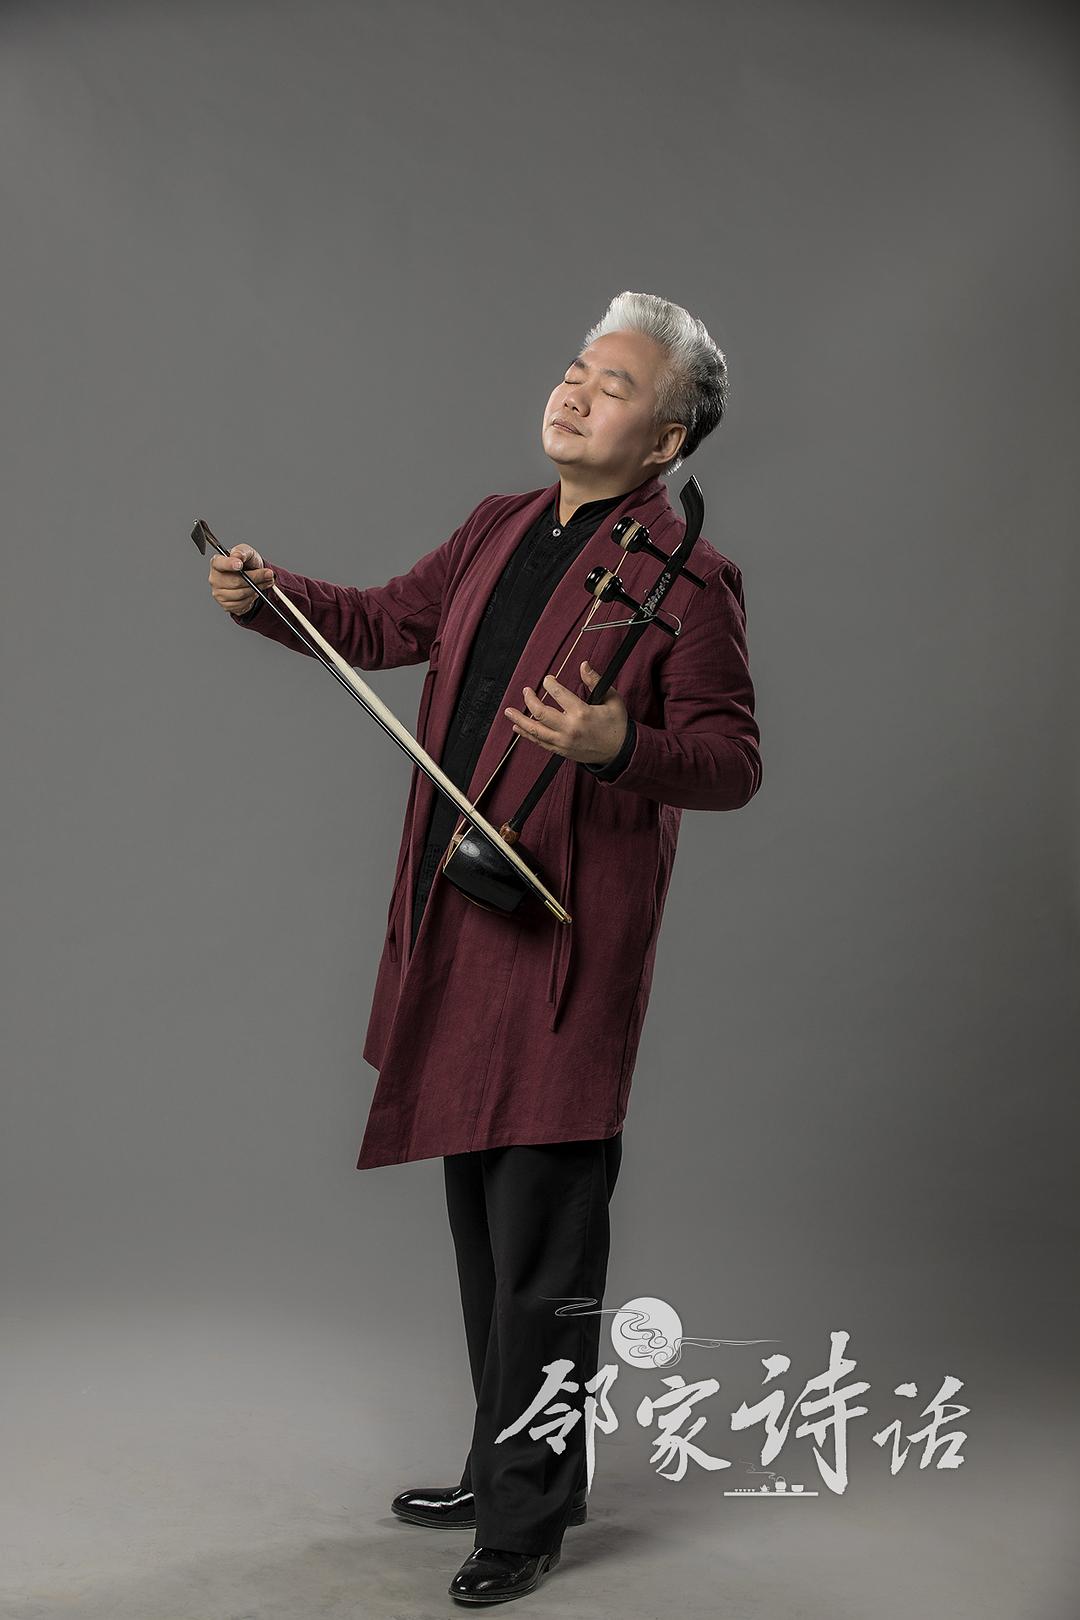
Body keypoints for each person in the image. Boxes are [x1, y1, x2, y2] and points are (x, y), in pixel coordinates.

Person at [208, 290, 763, 1605]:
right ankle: (505, 1467)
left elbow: (733, 762)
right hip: (462, 920)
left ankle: (526, 1520)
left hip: (565, 950)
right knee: (482, 1237)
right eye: (576, 368)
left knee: (545, 1253)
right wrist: (269, 597)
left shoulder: (691, 580)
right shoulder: (497, 526)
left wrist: (619, 746)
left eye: (614, 385)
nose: (575, 392)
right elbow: (385, 627)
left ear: (668, 440)